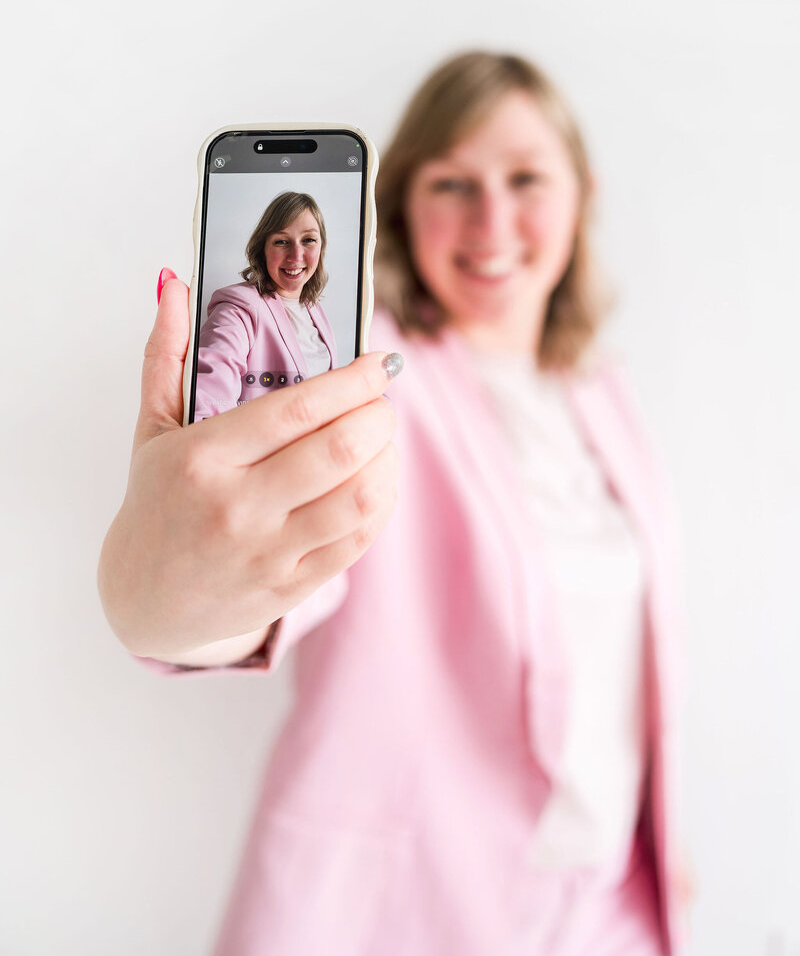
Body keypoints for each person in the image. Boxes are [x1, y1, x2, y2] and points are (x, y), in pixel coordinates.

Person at [98, 51, 693, 955]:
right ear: (403, 207)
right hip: (405, 916)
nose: (492, 220)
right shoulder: (361, 368)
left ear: (582, 195)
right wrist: (175, 602)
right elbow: (288, 566)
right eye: (452, 183)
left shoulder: (601, 390)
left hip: (611, 908)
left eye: (526, 178)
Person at [194, 191, 338, 420]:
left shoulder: (313, 308)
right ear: (263, 248)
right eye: (282, 242)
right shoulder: (237, 309)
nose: (296, 255)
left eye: (309, 240)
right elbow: (210, 393)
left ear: (322, 247)